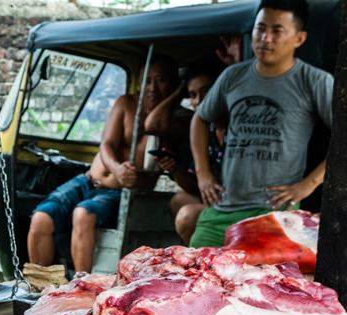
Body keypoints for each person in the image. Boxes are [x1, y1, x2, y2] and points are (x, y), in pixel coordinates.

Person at [189, 0, 332, 247]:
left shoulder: (314, 81)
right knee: (191, 276)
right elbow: (200, 119)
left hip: (274, 214)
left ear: (299, 38)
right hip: (222, 208)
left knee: (257, 284)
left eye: (277, 31)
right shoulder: (233, 76)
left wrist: (308, 184)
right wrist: (203, 173)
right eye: (260, 28)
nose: (265, 38)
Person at [27, 57, 179, 274]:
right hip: (89, 179)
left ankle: (81, 285)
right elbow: (106, 144)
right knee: (41, 218)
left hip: (118, 192)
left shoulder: (172, 122)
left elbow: (153, 172)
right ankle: (39, 288)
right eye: (147, 81)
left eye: (161, 81)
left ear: (173, 84)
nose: (152, 88)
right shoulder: (126, 103)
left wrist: (176, 96)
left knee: (83, 213)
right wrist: (117, 168)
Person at [144, 59, 225, 243]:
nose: (199, 101)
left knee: (187, 216)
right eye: (193, 95)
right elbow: (152, 124)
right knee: (178, 200)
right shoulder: (201, 130)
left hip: (236, 205)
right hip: (214, 201)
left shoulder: (239, 127)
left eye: (206, 92)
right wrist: (174, 170)